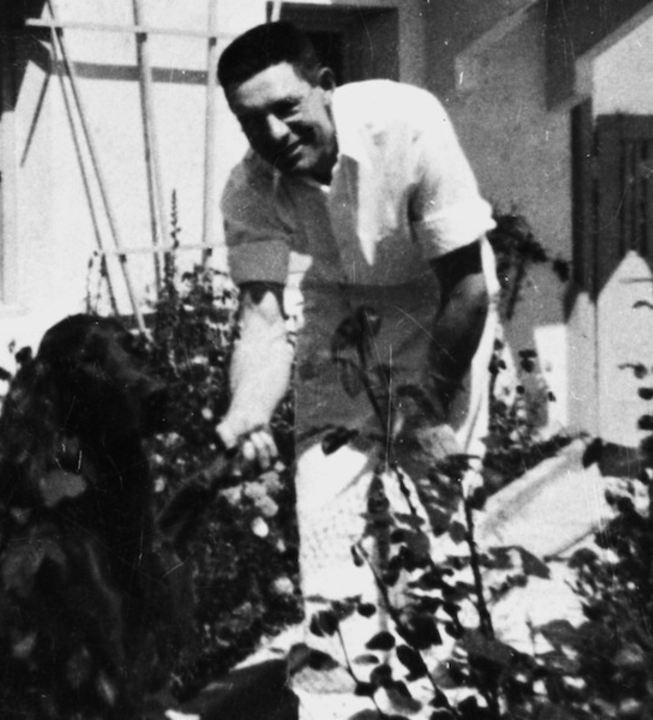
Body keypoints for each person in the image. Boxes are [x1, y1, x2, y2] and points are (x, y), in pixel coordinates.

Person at [213, 21, 499, 717]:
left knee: (430, 517)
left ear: (326, 89)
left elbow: (469, 289)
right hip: (340, 306)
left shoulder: (408, 122)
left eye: (287, 109)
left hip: (438, 302)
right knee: (326, 509)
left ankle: (440, 694)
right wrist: (245, 411)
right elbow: (261, 322)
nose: (274, 133)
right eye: (254, 121)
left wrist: (424, 411)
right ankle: (335, 699)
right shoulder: (250, 188)